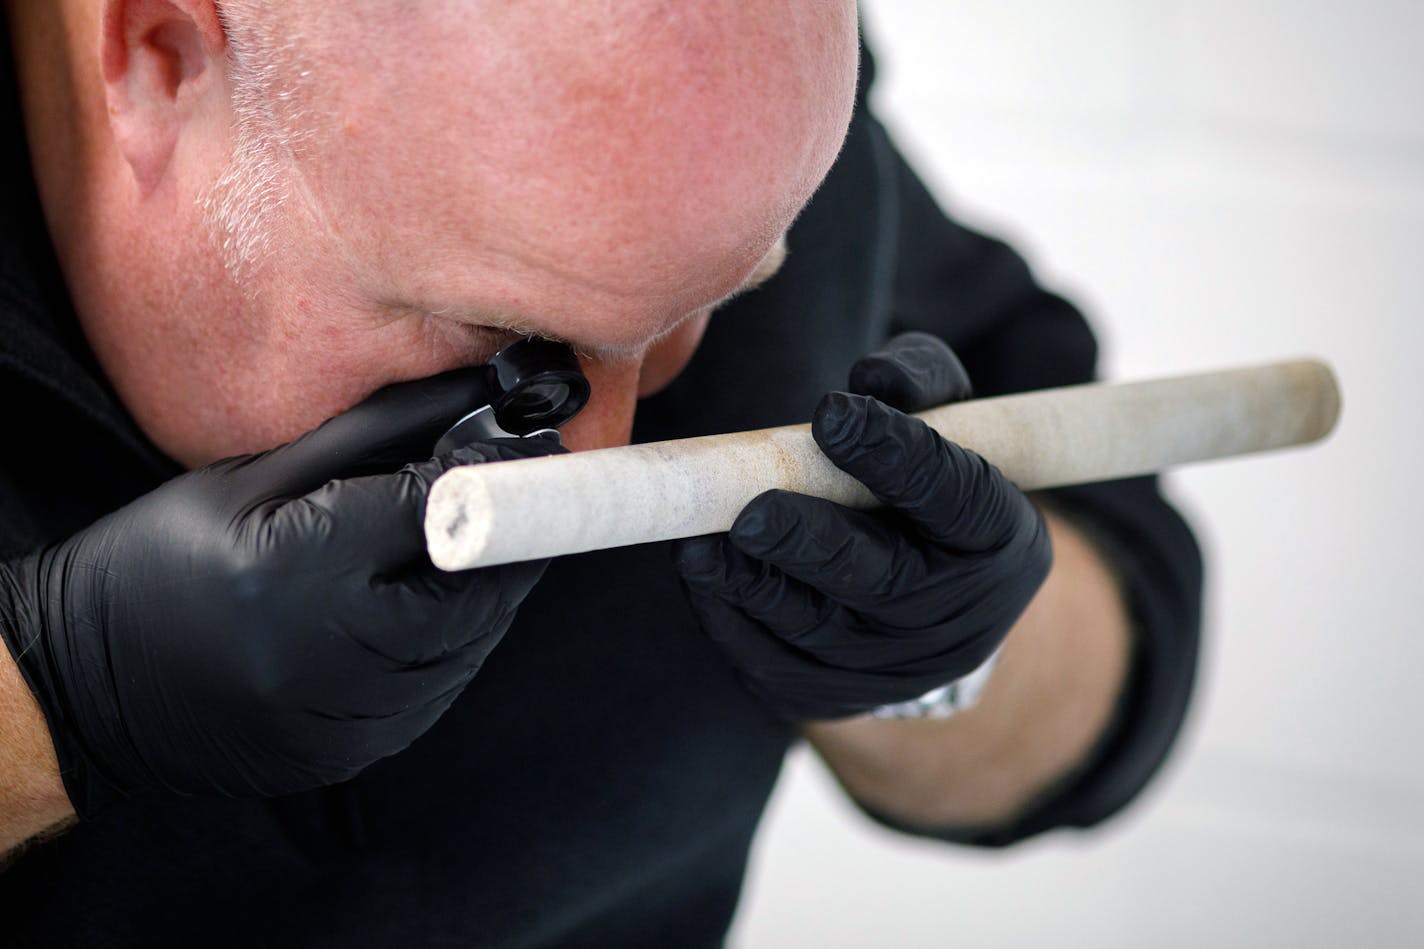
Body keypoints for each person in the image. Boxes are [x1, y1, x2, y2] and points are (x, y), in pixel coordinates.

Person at [0, 1, 1202, 945]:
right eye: (493, 325)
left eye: (714, 305)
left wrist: (937, 663)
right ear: (159, 56)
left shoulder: (714, 105)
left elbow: (1114, 665)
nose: (601, 450)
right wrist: (55, 702)